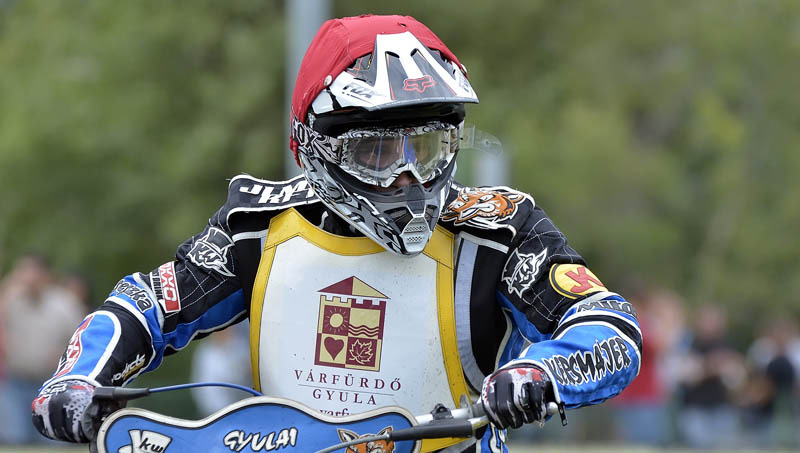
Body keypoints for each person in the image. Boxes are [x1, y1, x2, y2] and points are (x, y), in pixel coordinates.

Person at [31, 14, 642, 452]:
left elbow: (610, 324)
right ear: (314, 148)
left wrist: (542, 374)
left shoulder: (497, 229)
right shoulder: (257, 227)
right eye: (378, 151)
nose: (408, 175)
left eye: (427, 147)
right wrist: (79, 378)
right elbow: (148, 303)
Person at [0, 254, 85, 444]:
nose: (28, 277)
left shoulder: (65, 304)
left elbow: (82, 338)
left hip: (52, 385)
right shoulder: (11, 300)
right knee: (14, 439)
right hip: (15, 382)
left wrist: (64, 355)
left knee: (52, 440)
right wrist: (10, 284)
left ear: (45, 274)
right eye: (23, 271)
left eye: (32, 271)